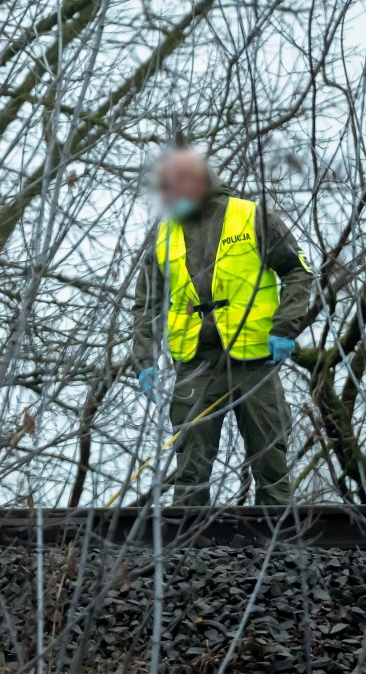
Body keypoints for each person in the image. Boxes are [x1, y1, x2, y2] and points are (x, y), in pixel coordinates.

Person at [132, 150, 313, 506]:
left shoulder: (251, 217)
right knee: (190, 466)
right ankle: (185, 550)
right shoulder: (164, 235)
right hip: (196, 361)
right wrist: (144, 359)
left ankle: (279, 546)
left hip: (254, 356)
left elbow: (297, 270)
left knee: (270, 457)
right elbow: (147, 303)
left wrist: (285, 328)